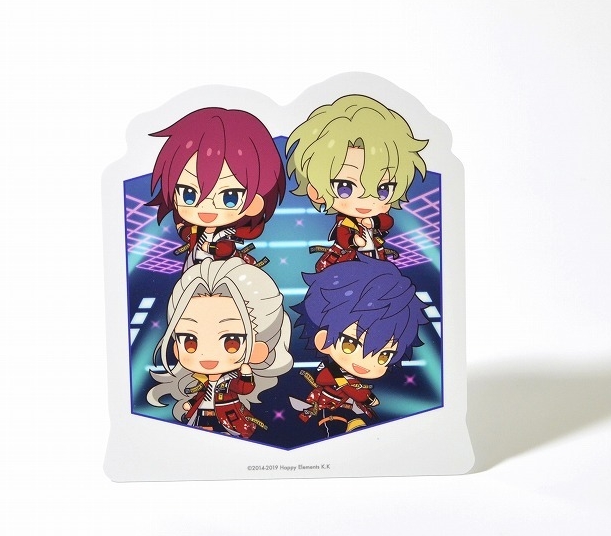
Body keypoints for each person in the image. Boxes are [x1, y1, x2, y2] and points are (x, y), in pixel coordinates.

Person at [147, 258, 293, 439]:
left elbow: (244, 388)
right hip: (201, 418)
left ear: (257, 350)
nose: (207, 353)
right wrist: (190, 405)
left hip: (227, 419)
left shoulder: (231, 381)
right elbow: (201, 396)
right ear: (176, 347)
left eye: (231, 341)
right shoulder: (201, 381)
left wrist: (246, 375)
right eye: (190, 340)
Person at [285, 95, 427, 271]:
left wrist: (373, 224)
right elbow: (342, 236)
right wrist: (354, 241)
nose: (366, 200)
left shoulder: (377, 217)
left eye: (383, 189)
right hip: (347, 260)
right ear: (316, 191)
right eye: (345, 187)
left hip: (375, 257)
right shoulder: (345, 223)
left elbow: (387, 221)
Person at [291, 256, 427, 435]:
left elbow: (354, 391)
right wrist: (363, 396)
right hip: (331, 408)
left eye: (384, 355)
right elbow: (334, 382)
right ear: (323, 341)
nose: (366, 360)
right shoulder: (333, 373)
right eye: (351, 344)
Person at [148, 107, 286, 270]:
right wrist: (182, 229)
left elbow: (225, 249)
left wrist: (207, 246)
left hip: (221, 271)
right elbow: (186, 233)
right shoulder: (194, 229)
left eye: (229, 197)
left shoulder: (227, 233)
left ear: (254, 203)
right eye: (188, 194)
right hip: (194, 268)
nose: (205, 206)